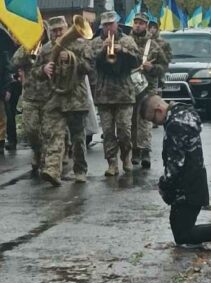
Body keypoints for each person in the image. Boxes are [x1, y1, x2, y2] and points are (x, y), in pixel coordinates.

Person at [138, 95, 211, 251]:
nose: (154, 124)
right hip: (195, 180)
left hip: (186, 187)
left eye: (153, 119)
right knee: (181, 231)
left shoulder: (174, 125)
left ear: (159, 110)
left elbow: (175, 163)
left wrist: (164, 185)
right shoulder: (184, 113)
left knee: (183, 235)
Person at [33, 16, 93, 185]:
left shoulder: (81, 45)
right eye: (54, 31)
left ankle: (80, 170)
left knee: (78, 138)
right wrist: (43, 69)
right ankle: (52, 170)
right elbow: (35, 73)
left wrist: (73, 58)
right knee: (54, 135)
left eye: (61, 29)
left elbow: (89, 68)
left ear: (67, 28)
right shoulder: (45, 50)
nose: (58, 33)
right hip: (54, 100)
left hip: (76, 99)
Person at [89, 11, 141, 176]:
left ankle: (126, 156)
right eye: (105, 25)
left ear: (116, 24)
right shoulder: (96, 42)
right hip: (104, 95)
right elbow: (89, 63)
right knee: (108, 132)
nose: (108, 28)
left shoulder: (127, 40)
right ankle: (112, 163)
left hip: (124, 94)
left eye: (111, 24)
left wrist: (123, 50)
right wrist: (102, 51)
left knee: (125, 130)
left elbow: (137, 61)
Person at [129, 12, 167, 169]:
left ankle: (145, 151)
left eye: (141, 23)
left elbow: (163, 68)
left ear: (146, 26)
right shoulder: (125, 41)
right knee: (131, 122)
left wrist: (152, 68)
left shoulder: (154, 45)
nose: (138, 25)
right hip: (129, 87)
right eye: (136, 22)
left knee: (145, 120)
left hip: (148, 88)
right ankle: (134, 151)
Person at [11, 34, 51, 175]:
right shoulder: (25, 47)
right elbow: (13, 63)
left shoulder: (49, 47)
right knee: (31, 129)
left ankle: (47, 159)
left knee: (47, 131)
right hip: (29, 95)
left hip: (48, 96)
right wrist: (26, 50)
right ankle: (37, 151)